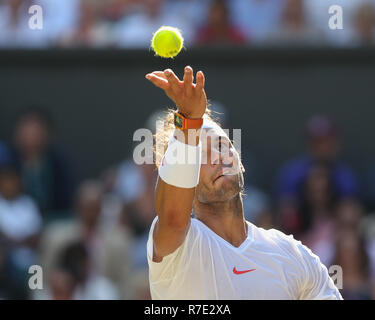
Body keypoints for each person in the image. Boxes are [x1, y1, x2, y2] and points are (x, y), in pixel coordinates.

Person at [144, 66, 342, 299]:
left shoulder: (292, 254)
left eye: (221, 145)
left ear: (240, 162)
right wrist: (188, 121)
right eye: (200, 155)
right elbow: (174, 218)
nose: (218, 157)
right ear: (185, 179)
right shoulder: (176, 246)